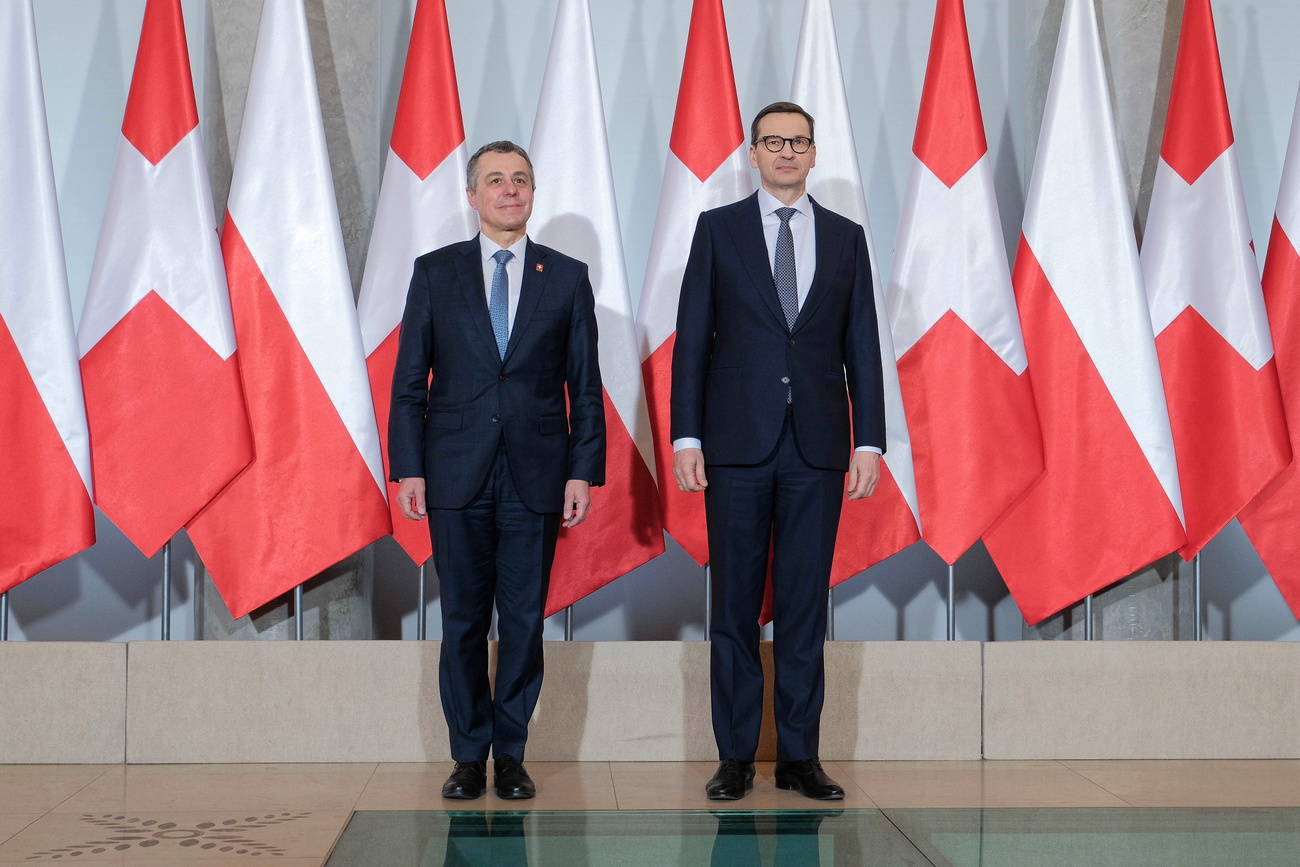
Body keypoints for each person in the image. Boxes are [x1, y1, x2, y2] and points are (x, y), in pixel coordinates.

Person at [671, 102, 885, 801]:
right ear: (752, 153)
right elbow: (692, 339)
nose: (786, 151)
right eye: (774, 141)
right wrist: (687, 433)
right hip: (735, 446)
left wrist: (870, 439)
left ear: (814, 153)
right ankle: (735, 756)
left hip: (818, 449)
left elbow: (863, 349)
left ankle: (799, 755)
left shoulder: (848, 238)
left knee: (802, 608)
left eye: (798, 141)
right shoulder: (718, 230)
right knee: (733, 605)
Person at [388, 140, 605, 801]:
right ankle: (466, 755)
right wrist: (409, 468)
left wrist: (582, 471)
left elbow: (585, 386)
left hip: (537, 476)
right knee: (461, 620)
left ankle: (509, 753)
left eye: (520, 180)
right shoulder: (435, 272)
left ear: (532, 193)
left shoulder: (565, 276)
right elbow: (408, 385)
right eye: (495, 180)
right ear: (472, 194)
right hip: (454, 473)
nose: (509, 190)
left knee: (522, 619)